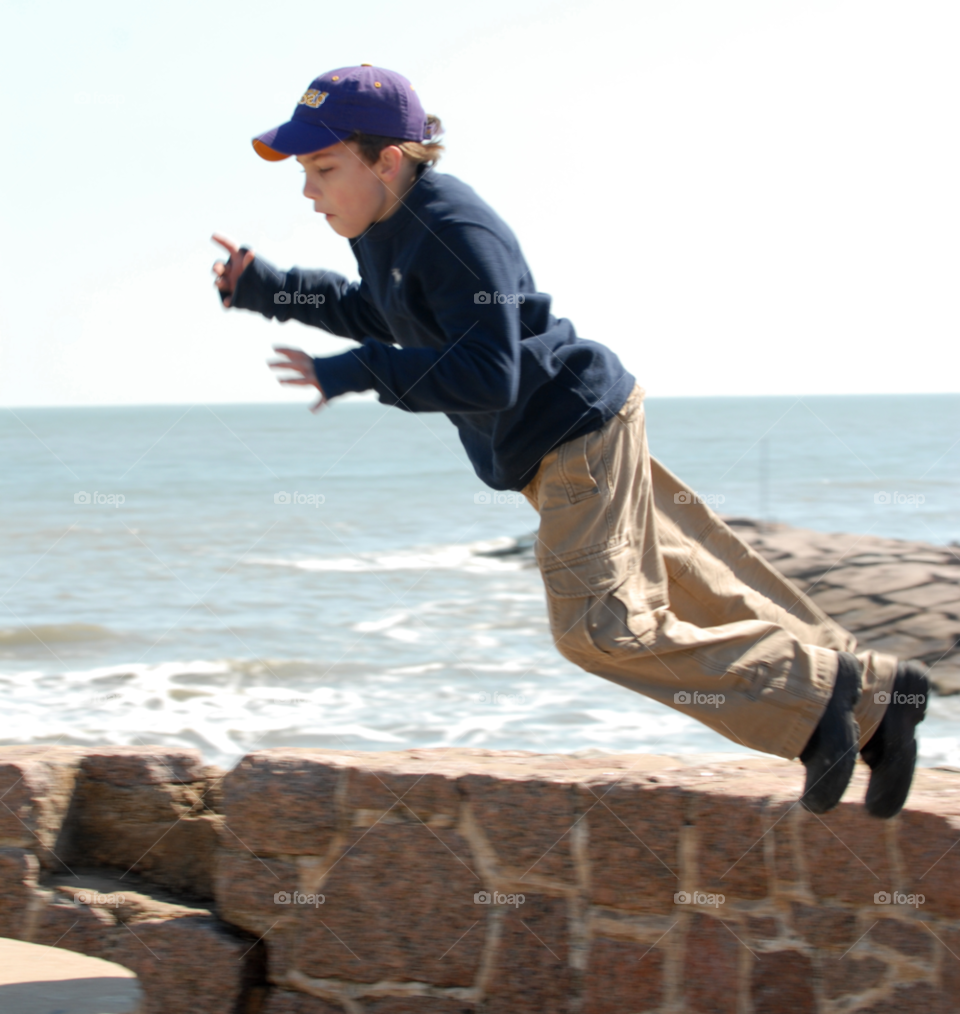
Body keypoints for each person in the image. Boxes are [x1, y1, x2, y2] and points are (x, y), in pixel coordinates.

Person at [212, 64, 929, 818]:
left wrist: (358, 371)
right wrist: (269, 289)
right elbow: (382, 310)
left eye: (324, 169)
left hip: (573, 435)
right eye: (304, 172)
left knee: (601, 628)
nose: (308, 191)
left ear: (386, 160)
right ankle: (882, 702)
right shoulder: (388, 229)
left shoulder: (453, 230)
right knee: (699, 586)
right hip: (574, 429)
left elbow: (490, 374)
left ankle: (819, 700)